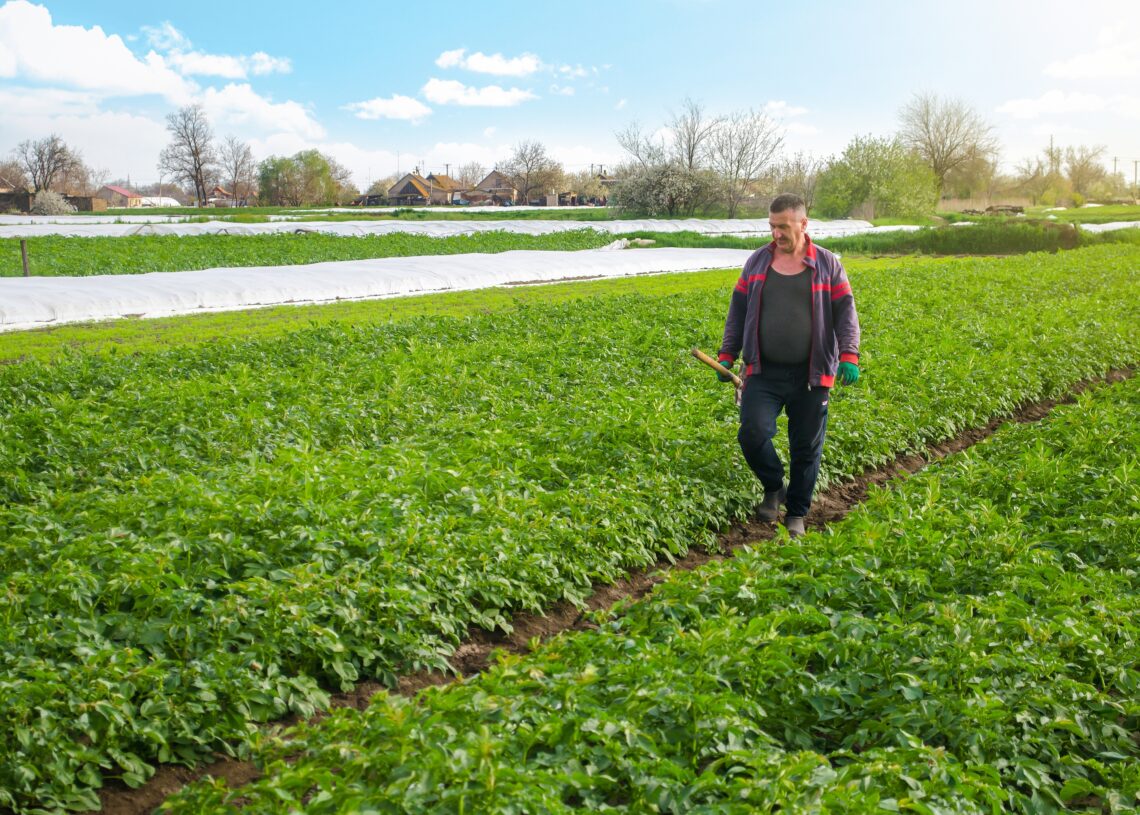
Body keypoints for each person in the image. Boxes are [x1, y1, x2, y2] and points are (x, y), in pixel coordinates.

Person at [717, 193, 860, 538]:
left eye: (783, 226)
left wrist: (849, 355)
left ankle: (796, 512)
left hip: (811, 375)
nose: (776, 233)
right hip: (762, 371)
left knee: (806, 448)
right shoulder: (757, 262)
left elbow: (846, 313)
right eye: (772, 226)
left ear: (803, 224)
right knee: (752, 433)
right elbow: (737, 310)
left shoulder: (827, 264)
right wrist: (728, 353)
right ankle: (773, 486)